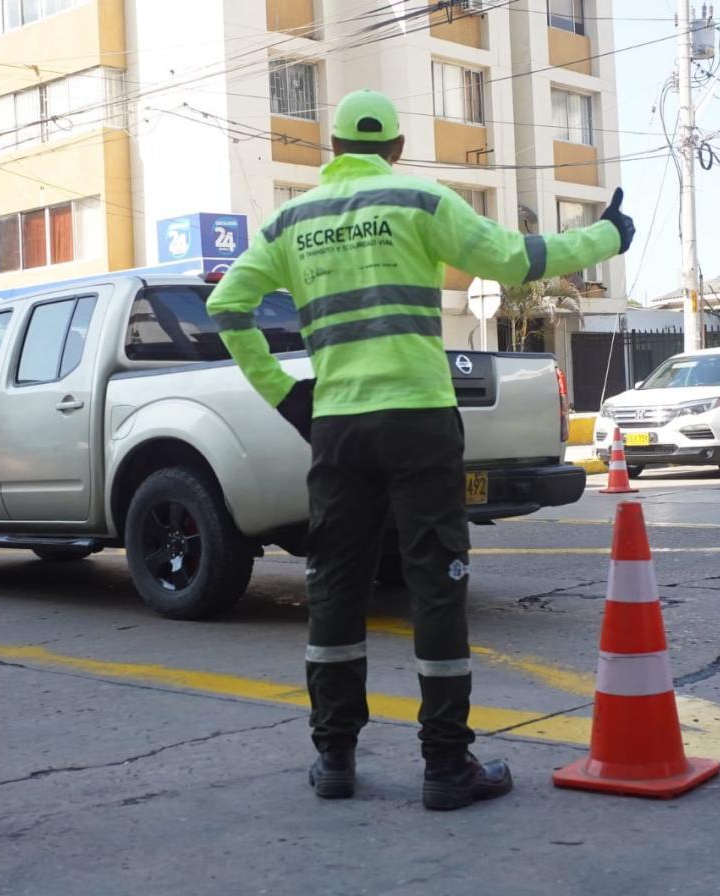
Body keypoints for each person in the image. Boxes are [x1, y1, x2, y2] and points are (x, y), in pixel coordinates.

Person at [206, 89, 633, 810]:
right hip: (420, 420)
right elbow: (514, 258)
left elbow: (227, 306)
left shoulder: (292, 221)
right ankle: (445, 764)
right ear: (397, 148)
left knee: (335, 584)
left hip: (338, 426)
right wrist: (606, 237)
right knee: (436, 580)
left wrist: (285, 394)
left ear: (334, 148)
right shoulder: (421, 201)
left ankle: (335, 757)